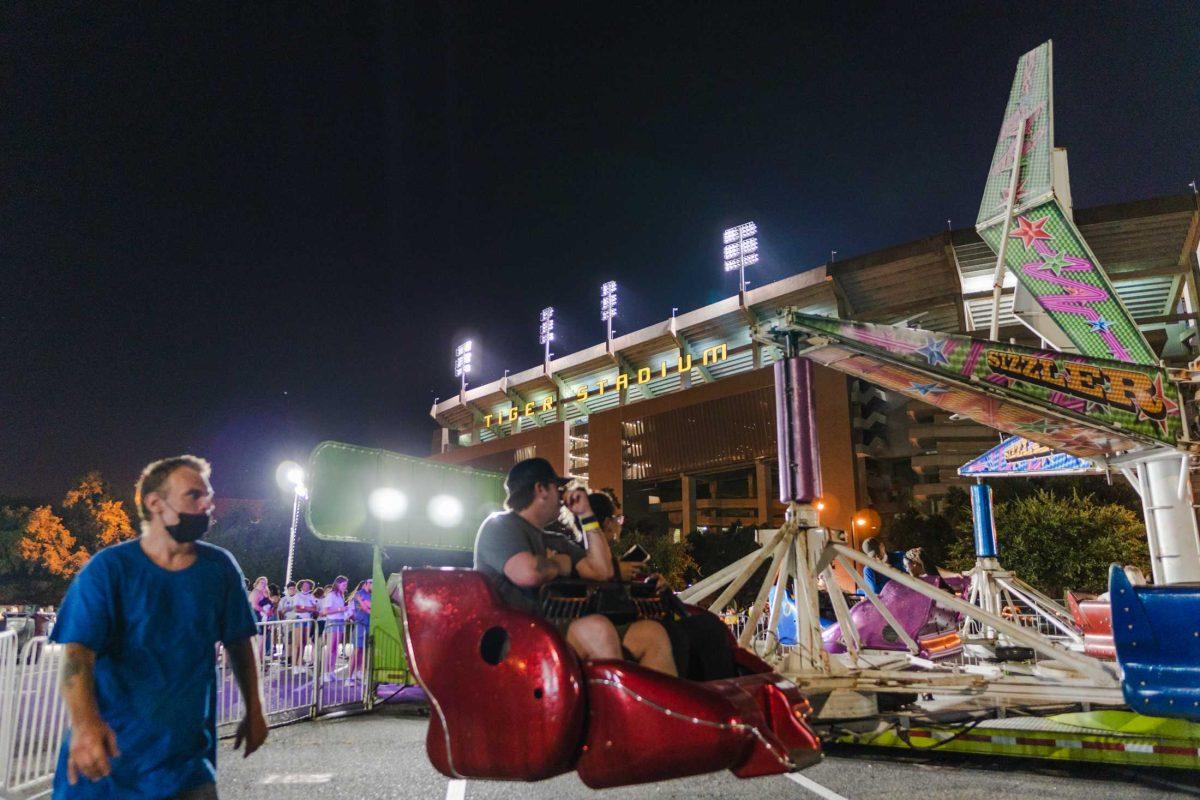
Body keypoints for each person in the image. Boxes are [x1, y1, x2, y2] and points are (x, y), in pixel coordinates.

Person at [50, 455, 266, 799]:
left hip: (186, 764)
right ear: (155, 503)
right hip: (109, 764)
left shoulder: (219, 569)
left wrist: (254, 708)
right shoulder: (109, 570)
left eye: (208, 495)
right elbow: (77, 653)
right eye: (194, 495)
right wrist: (85, 725)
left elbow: (240, 641)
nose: (208, 504)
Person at [474, 458, 676, 675]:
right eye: (558, 488)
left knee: (651, 634)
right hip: (516, 637)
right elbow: (527, 573)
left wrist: (586, 515)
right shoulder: (501, 525)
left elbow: (602, 571)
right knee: (597, 629)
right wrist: (559, 565)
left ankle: (662, 708)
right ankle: (607, 708)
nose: (562, 497)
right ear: (540, 489)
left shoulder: (556, 540)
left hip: (558, 630)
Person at [588, 491, 737, 681]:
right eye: (618, 518)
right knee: (680, 633)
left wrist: (652, 584)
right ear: (608, 523)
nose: (620, 523)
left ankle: (720, 688)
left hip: (629, 617)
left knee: (709, 625)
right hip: (614, 624)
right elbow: (599, 591)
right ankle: (692, 695)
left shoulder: (605, 555)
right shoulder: (587, 555)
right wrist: (617, 573)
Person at [319, 576, 350, 683]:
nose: (345, 587)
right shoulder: (331, 595)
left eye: (346, 585)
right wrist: (340, 609)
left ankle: (331, 671)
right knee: (331, 648)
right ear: (337, 584)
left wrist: (346, 613)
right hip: (332, 623)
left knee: (335, 649)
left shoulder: (341, 595)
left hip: (340, 622)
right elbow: (325, 611)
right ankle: (325, 673)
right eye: (344, 585)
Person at [290, 579, 318, 674]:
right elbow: (296, 609)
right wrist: (308, 608)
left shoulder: (311, 596)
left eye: (308, 586)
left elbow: (315, 609)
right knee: (297, 644)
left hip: (308, 621)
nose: (306, 587)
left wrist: (304, 607)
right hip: (299, 620)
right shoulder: (297, 595)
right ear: (301, 586)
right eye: (304, 585)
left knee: (304, 644)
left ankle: (300, 664)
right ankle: (294, 666)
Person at [347, 578, 371, 683]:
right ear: (366, 584)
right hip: (360, 625)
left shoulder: (372, 595)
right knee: (357, 651)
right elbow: (367, 609)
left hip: (368, 625)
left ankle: (359, 673)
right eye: (371, 583)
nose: (373, 585)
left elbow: (369, 607)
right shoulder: (358, 594)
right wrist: (365, 604)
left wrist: (365, 604)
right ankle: (349, 677)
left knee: (363, 651)